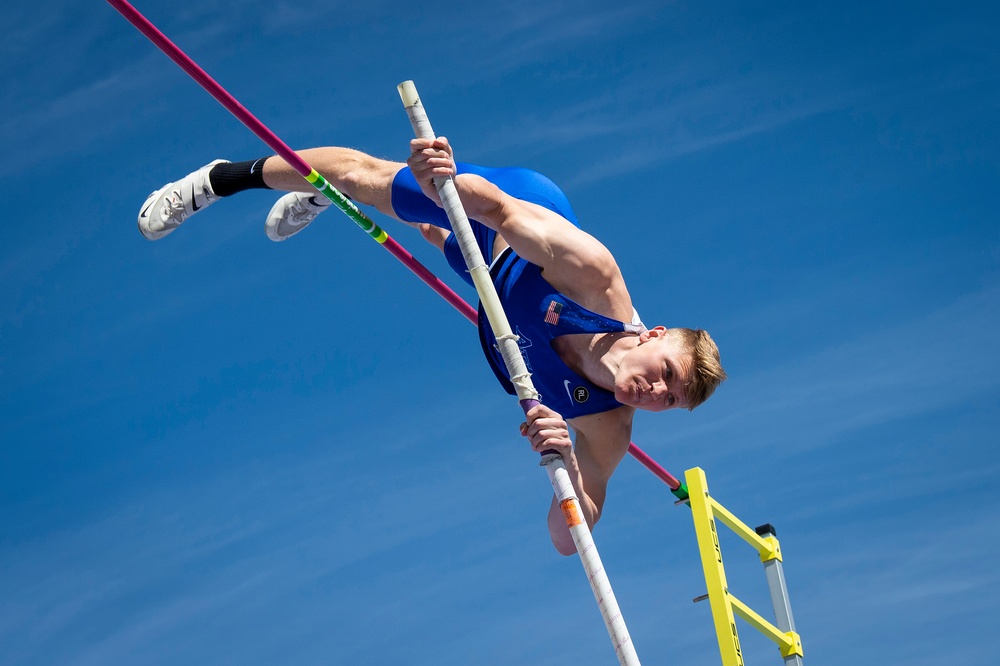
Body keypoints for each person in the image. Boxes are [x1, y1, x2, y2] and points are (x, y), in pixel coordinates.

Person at [137, 139, 726, 555]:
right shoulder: (591, 275)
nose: (655, 392)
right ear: (653, 335)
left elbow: (570, 537)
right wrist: (441, 179)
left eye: (668, 401)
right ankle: (221, 177)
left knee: (436, 239)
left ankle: (327, 199)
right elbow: (495, 208)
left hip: (497, 287)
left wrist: (569, 468)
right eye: (666, 372)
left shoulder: (606, 427)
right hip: (516, 215)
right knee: (367, 180)